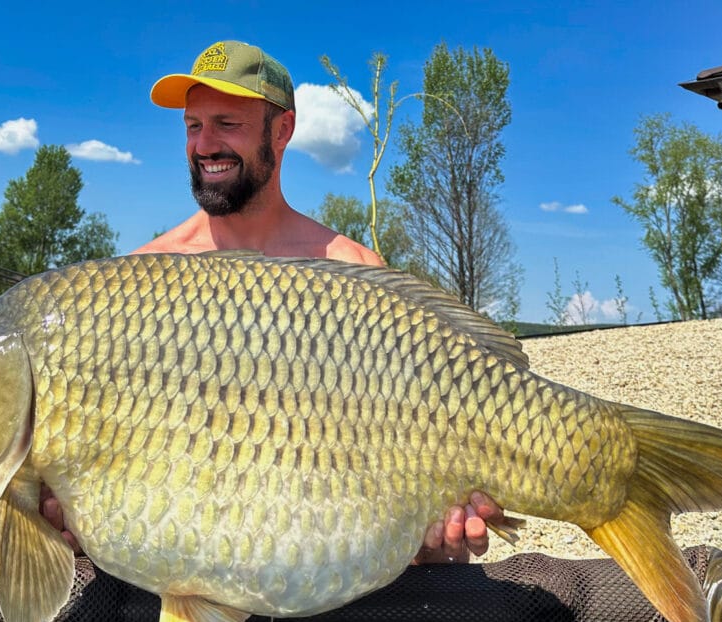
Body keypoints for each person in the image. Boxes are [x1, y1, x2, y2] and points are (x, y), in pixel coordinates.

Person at [38, 40, 507, 565]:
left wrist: (440, 545)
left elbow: (421, 549)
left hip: (326, 596)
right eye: (193, 126)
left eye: (227, 124)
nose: (205, 145)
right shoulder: (141, 280)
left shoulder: (358, 275)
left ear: (281, 131)